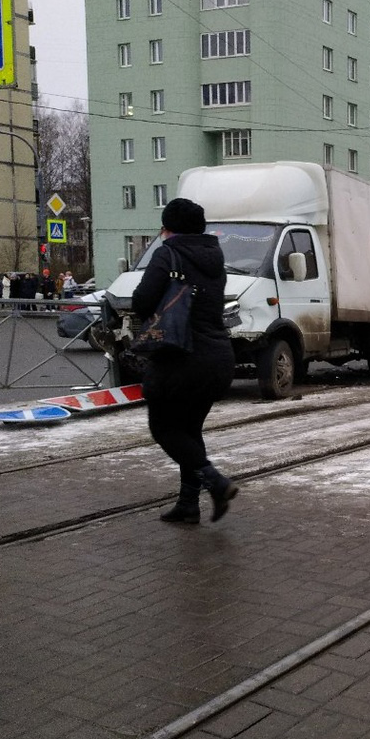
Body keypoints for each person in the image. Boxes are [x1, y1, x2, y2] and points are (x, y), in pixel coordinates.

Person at [132, 198, 239, 523]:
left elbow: (142, 302)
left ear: (169, 229)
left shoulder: (168, 253)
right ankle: (188, 504)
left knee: (163, 426)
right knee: (189, 430)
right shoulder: (214, 256)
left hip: (181, 357)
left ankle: (215, 482)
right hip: (217, 357)